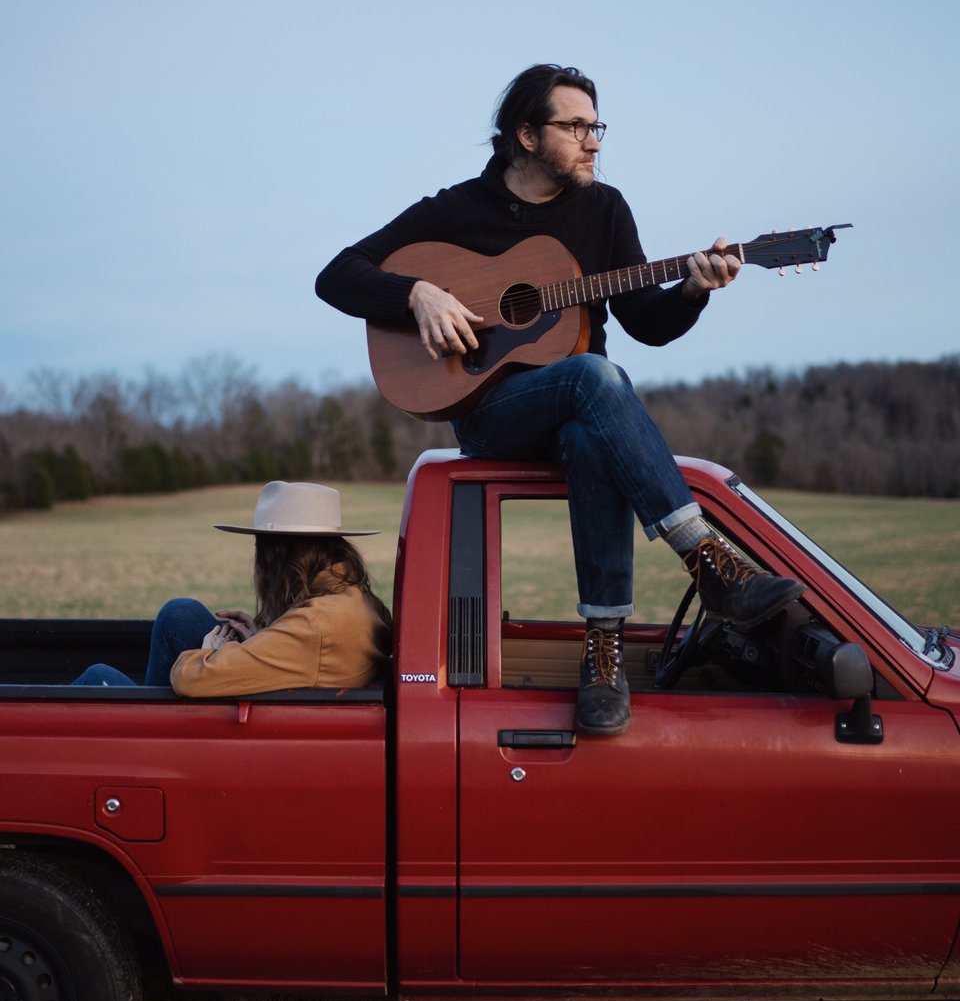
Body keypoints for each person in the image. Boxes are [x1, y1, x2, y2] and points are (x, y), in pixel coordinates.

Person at [315, 63, 803, 736]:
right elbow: (336, 275)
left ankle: (602, 656)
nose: (593, 141)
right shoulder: (457, 210)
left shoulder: (605, 210)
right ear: (526, 135)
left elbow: (646, 323)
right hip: (491, 413)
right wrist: (417, 294)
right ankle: (708, 562)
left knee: (587, 426)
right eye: (576, 127)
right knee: (595, 376)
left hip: (579, 412)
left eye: (597, 127)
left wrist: (693, 290)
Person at [73, 481, 391, 696]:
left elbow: (190, 678)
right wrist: (264, 636)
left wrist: (210, 652)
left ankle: (147, 736)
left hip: (259, 727)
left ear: (278, 559)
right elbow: (304, 656)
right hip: (291, 697)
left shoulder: (315, 625)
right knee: (179, 614)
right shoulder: (356, 598)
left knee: (97, 677)